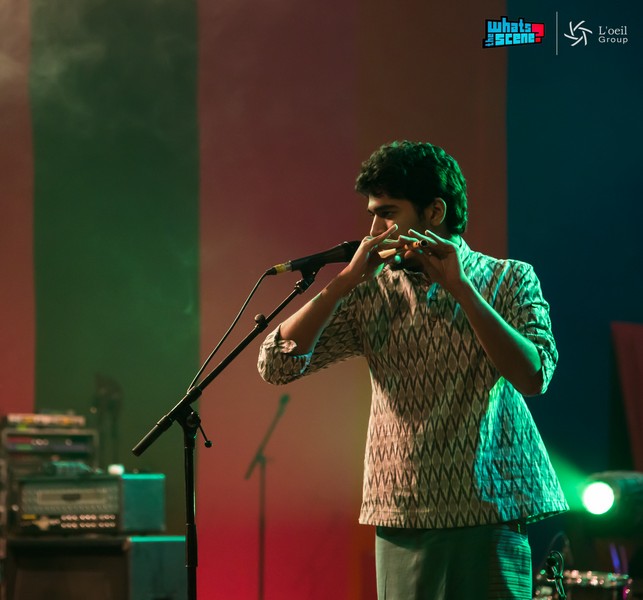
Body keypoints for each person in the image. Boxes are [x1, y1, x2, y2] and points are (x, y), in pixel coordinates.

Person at [257, 140, 567, 599]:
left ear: (434, 212)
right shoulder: (371, 291)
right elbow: (276, 364)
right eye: (372, 215)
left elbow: (534, 376)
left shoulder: (510, 279)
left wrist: (463, 290)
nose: (373, 231)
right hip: (400, 512)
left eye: (387, 214)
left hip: (489, 510)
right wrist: (343, 284)